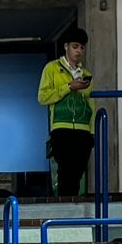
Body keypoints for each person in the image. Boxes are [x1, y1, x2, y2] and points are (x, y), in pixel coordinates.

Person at [37, 26, 96, 197]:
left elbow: (90, 103)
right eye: (75, 46)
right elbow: (43, 97)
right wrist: (69, 87)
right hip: (61, 128)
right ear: (66, 46)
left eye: (81, 48)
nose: (78, 51)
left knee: (78, 173)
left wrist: (92, 131)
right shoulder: (52, 68)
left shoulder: (86, 74)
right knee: (65, 171)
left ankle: (73, 206)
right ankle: (66, 208)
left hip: (83, 129)